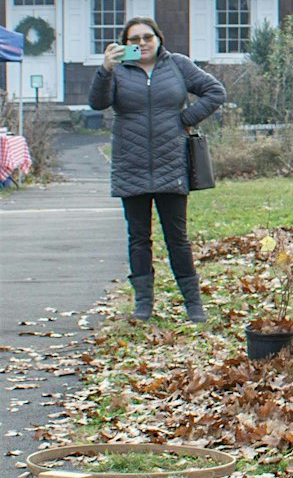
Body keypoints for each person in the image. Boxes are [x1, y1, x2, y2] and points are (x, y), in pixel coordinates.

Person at [88, 16, 225, 321]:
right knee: (138, 238)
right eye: (133, 40)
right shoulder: (118, 71)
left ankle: (194, 306)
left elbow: (215, 92)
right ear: (125, 45)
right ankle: (143, 305)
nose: (141, 44)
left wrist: (185, 120)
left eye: (147, 37)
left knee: (177, 238)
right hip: (130, 164)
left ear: (159, 39)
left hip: (171, 163)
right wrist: (105, 69)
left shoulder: (177, 65)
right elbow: (97, 103)